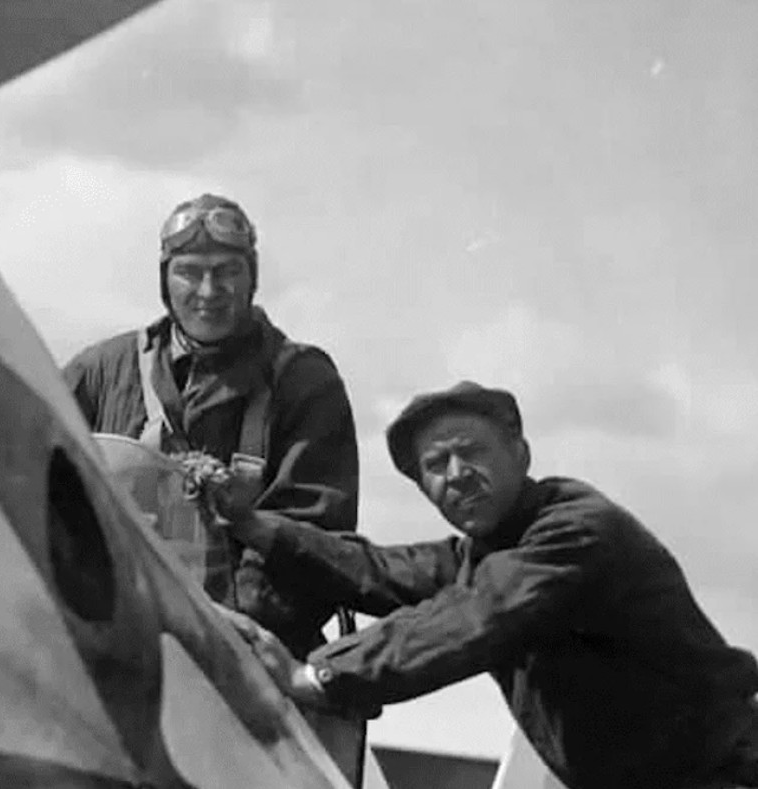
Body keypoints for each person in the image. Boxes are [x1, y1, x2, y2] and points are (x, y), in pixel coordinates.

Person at [215, 380, 758, 789]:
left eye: (471, 450)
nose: (456, 473)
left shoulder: (575, 531)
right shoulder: (486, 554)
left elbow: (475, 617)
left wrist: (313, 676)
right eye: (435, 464)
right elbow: (375, 570)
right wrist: (255, 527)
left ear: (521, 453)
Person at [62, 193, 359, 659]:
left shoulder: (304, 381)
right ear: (165, 279)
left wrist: (219, 626)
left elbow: (315, 541)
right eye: (189, 272)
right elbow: (34, 479)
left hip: (252, 652)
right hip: (113, 635)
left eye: (227, 271)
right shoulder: (102, 371)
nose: (208, 290)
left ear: (251, 278)